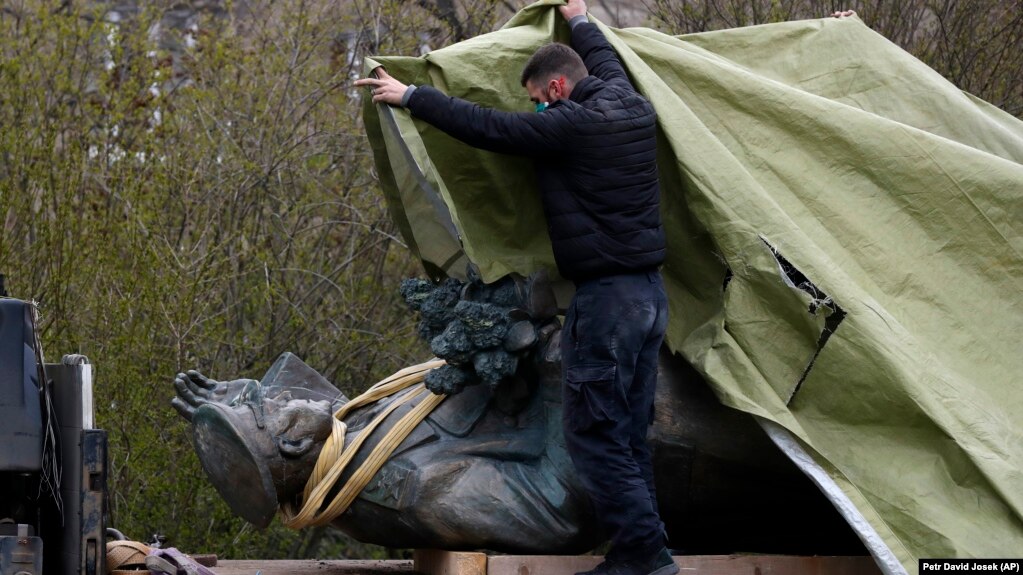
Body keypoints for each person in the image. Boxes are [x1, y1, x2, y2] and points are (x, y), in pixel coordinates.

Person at [356, 1, 673, 573]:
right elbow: (601, 54)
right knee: (626, 434)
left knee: (596, 434)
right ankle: (645, 549)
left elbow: (492, 129)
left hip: (607, 304)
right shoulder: (628, 101)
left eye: (535, 96)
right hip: (648, 298)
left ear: (556, 86)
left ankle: (644, 556)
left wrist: (413, 98)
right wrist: (578, 17)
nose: (533, 107)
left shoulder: (573, 123)